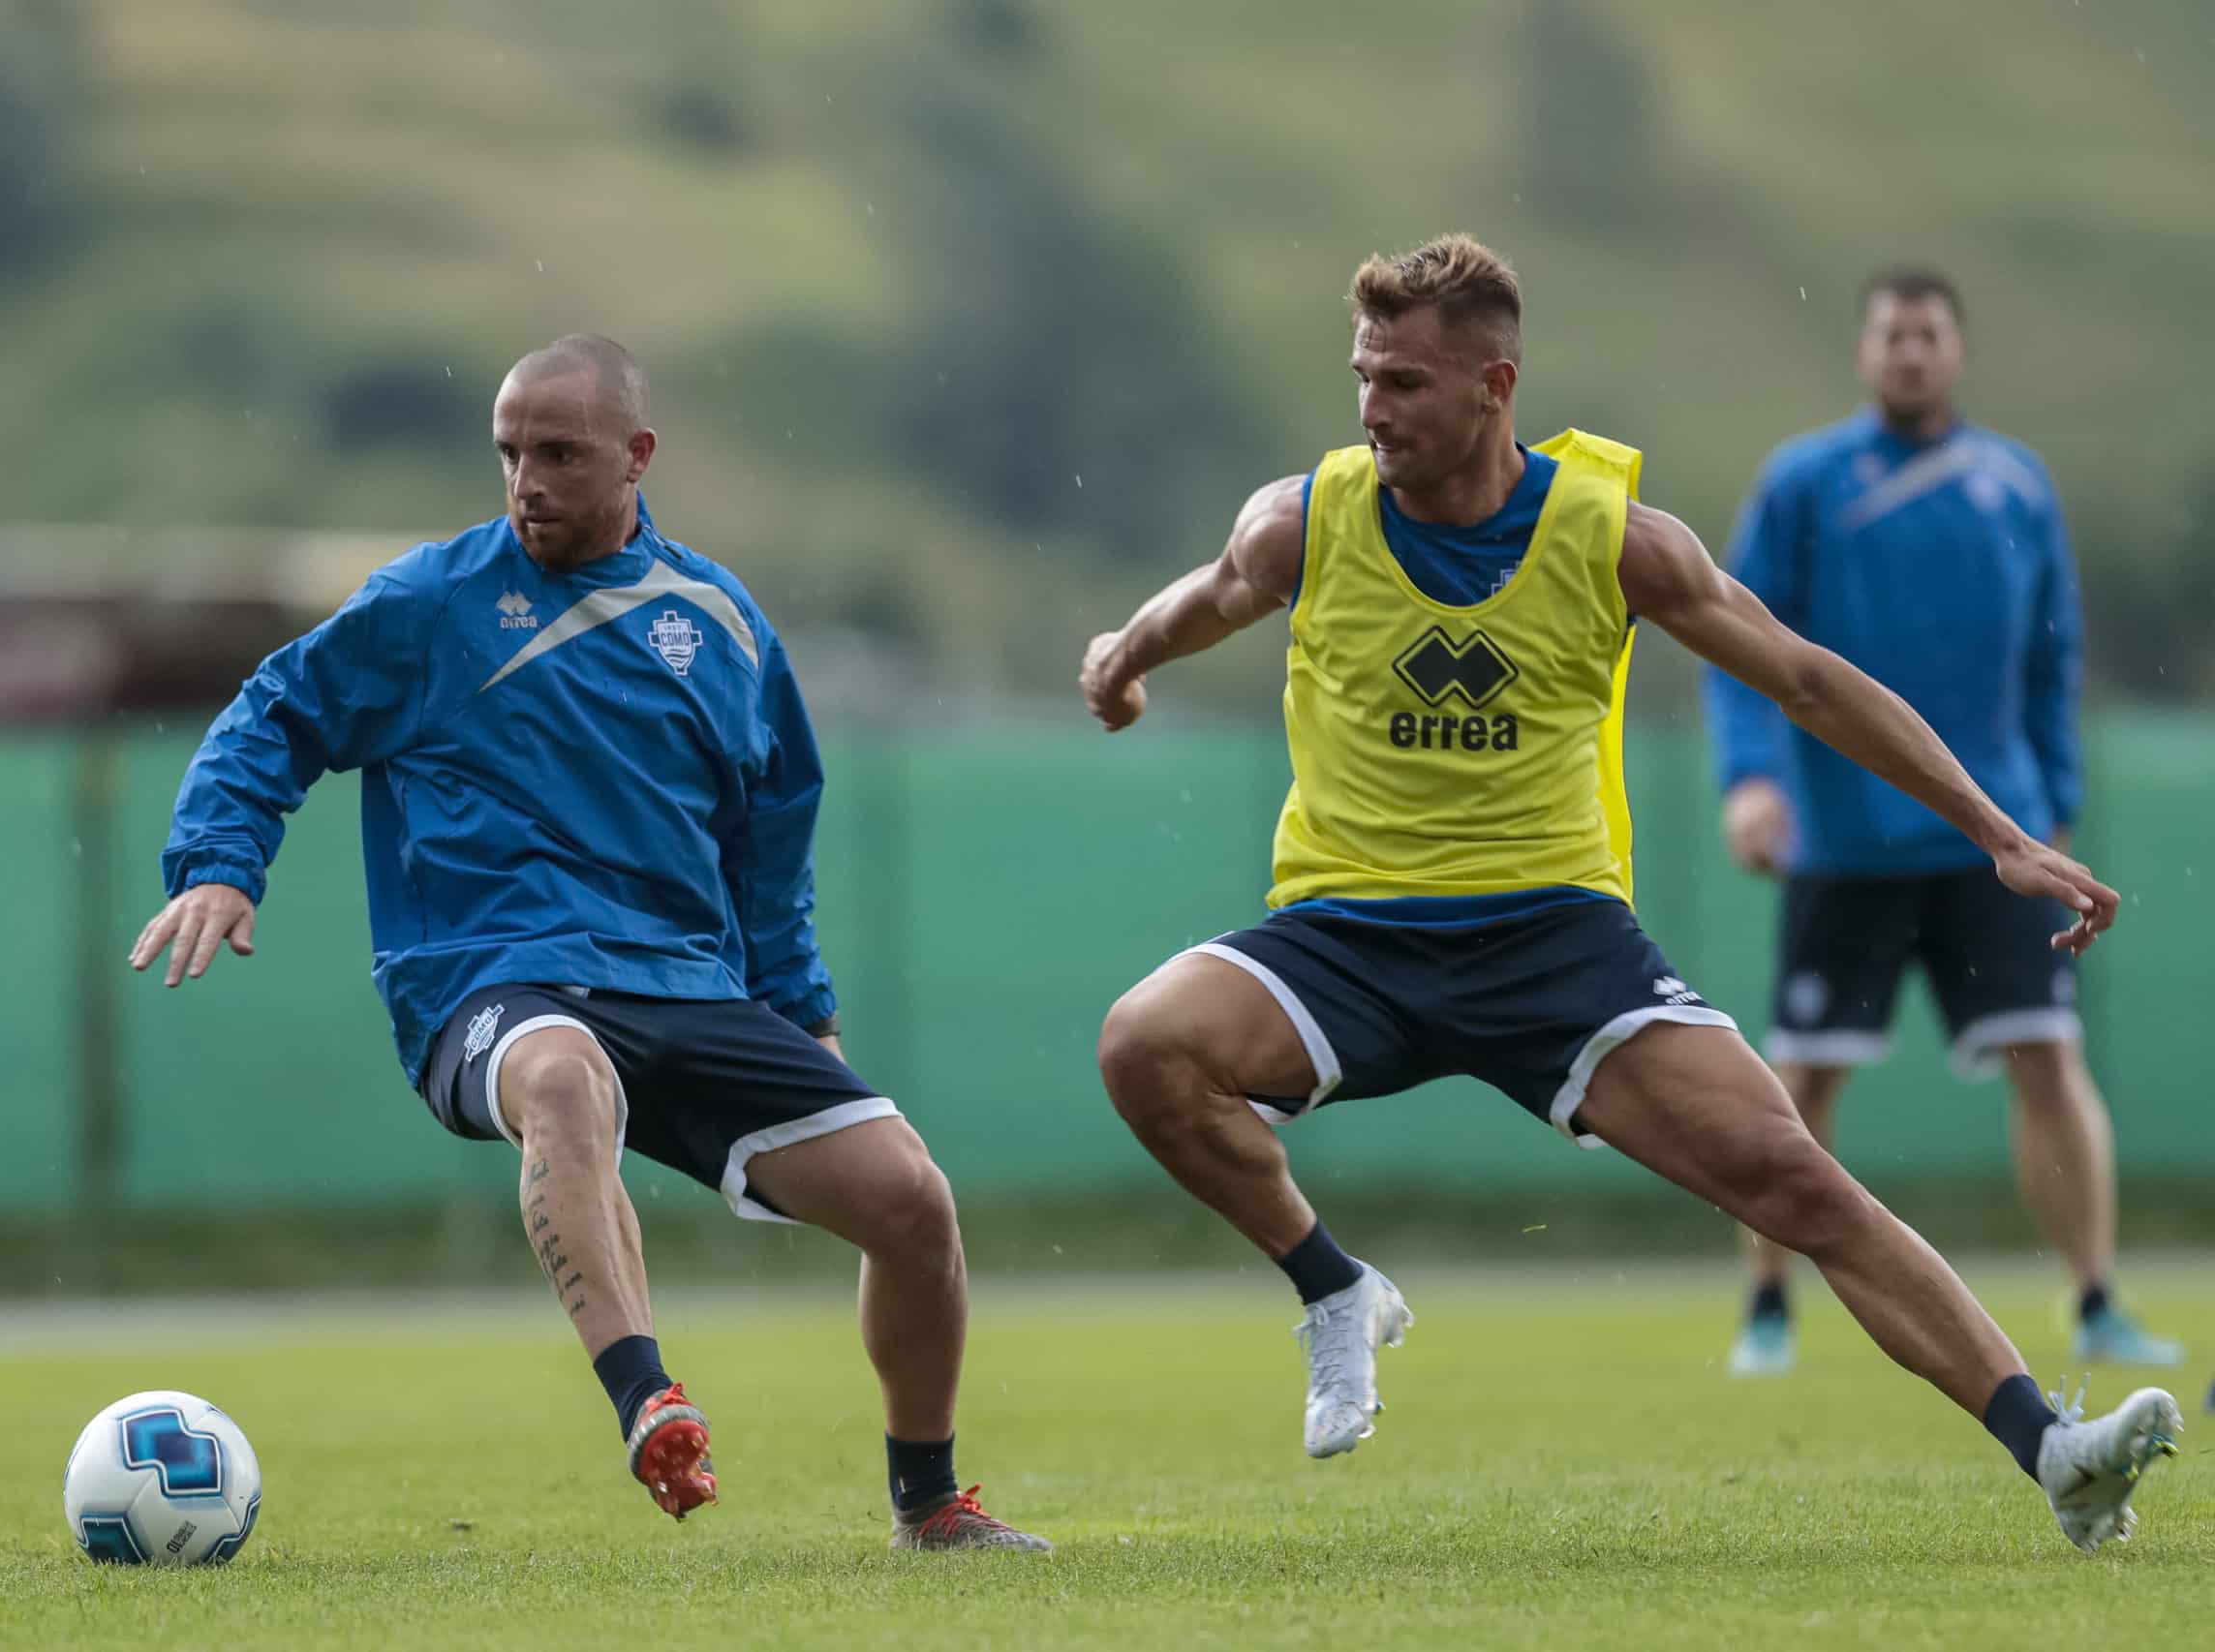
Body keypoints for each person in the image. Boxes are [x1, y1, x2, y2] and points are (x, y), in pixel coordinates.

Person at [1078, 235, 2178, 1551]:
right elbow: (1213, 596)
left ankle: (2053, 1450)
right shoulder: (1306, 520)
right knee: (1144, 1043)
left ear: (1497, 384)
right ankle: (1333, 1290)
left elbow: (1808, 679)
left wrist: (1999, 835)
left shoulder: (1614, 538)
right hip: (1347, 933)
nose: (1373, 410)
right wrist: (1122, 655)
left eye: (1407, 385)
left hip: (1555, 939)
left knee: (1800, 1180)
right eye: (1363, 378)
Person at [131, 336, 1047, 1553]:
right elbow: (275, 712)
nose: (527, 480)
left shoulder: (720, 621)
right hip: (487, 977)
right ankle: (646, 1397)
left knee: (914, 1201)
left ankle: (929, 1503)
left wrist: (799, 1006)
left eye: (558, 453)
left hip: (684, 984)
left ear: (636, 456)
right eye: (509, 452)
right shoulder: (432, 603)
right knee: (565, 1078)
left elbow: (769, 837)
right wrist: (218, 863)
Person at [1704, 268, 2181, 1379]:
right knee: (1798, 1083)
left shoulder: (2012, 483)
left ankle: (2097, 1295)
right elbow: (1735, 640)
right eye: (1888, 334)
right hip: (1842, 837)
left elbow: (2051, 655)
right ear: (1864, 350)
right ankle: (1768, 1307)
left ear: (1954, 350)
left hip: (1989, 844)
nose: (1907, 352)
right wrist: (1750, 777)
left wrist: (2048, 794)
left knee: (2049, 1055)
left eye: (1925, 334)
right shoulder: (1804, 482)